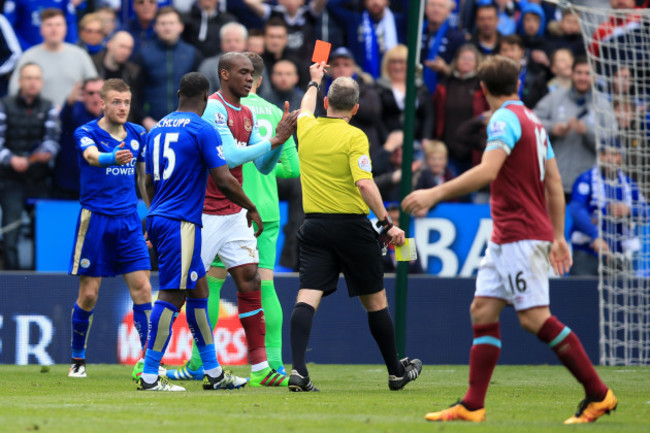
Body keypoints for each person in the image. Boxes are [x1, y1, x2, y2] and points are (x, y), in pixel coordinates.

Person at [402, 55, 618, 424]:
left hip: (520, 235)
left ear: (482, 89)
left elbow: (488, 170)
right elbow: (553, 182)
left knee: (535, 319)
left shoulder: (503, 118)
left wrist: (434, 194)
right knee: (482, 310)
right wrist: (558, 235)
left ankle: (599, 395)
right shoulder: (533, 120)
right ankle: (473, 405)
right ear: (518, 84)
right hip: (508, 237)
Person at [288, 61, 422, 392]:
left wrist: (314, 80)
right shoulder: (354, 136)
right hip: (351, 226)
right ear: (356, 108)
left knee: (307, 296)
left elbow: (305, 107)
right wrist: (387, 224)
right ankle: (395, 371)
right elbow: (365, 184)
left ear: (326, 103)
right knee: (374, 301)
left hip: (314, 226)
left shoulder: (307, 127)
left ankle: (299, 371)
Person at [166, 52, 298, 387]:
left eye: (252, 73)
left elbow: (263, 165)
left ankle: (260, 368)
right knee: (184, 290)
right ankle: (149, 364)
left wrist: (277, 142)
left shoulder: (248, 112)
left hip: (235, 212)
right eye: (243, 72)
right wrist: (274, 140)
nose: (250, 78)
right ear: (224, 74)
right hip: (206, 211)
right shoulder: (212, 109)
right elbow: (231, 157)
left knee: (251, 281)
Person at [138, 72, 262, 392]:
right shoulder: (202, 129)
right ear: (206, 98)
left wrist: (154, 212)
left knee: (199, 291)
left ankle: (214, 373)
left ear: (179, 94)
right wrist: (250, 206)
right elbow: (223, 179)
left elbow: (146, 181)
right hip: (181, 222)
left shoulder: (156, 129)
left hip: (162, 217)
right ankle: (150, 375)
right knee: (171, 295)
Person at [67, 79, 152, 379]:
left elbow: (143, 180)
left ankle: (149, 365)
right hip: (96, 220)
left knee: (143, 289)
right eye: (116, 101)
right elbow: (91, 157)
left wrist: (151, 216)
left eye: (126, 102)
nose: (122, 107)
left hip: (129, 221)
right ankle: (78, 358)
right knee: (89, 295)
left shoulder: (138, 133)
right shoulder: (86, 132)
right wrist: (110, 158)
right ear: (102, 103)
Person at [0, 62, 59, 270]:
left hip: (39, 179)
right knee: (10, 233)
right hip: (10, 179)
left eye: (36, 78)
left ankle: (39, 280)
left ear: (41, 82)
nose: (32, 82)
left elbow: (52, 141)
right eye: (28, 78)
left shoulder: (48, 106)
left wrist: (34, 158)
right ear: (19, 81)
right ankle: (12, 280)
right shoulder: (4, 104)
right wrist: (11, 159)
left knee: (43, 233)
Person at [569, 142, 649, 275]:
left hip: (620, 256)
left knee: (622, 293)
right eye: (605, 154)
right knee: (582, 294)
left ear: (621, 157)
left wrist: (629, 211)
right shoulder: (586, 179)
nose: (609, 158)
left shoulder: (628, 184)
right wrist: (595, 236)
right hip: (587, 252)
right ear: (599, 156)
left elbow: (646, 212)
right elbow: (576, 210)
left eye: (614, 154)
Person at [533, 57, 602, 201]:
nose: (583, 78)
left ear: (595, 78)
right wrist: (552, 129)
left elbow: (611, 142)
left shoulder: (603, 106)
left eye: (588, 74)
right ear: (572, 74)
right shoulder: (554, 98)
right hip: (554, 181)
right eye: (579, 73)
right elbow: (531, 123)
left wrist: (586, 132)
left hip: (588, 185)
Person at [8, 8, 97, 109]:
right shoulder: (28, 57)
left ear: (65, 28)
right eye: (49, 25)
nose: (54, 29)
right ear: (41, 30)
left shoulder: (80, 55)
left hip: (74, 118)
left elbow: (96, 88)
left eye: (58, 25)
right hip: (39, 118)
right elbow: (14, 91)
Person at [138, 7, 203, 130]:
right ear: (155, 27)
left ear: (180, 27)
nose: (167, 28)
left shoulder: (193, 54)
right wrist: (145, 119)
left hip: (186, 124)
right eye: (162, 23)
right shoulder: (143, 55)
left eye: (171, 23)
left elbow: (201, 92)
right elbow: (135, 92)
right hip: (152, 124)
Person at [52, 77, 104, 199]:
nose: (96, 97)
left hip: (99, 188)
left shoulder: (114, 118)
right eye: (91, 93)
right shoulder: (74, 113)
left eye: (100, 93)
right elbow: (64, 117)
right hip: (67, 187)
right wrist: (69, 102)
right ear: (83, 95)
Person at [421, 0, 467, 95]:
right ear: (425, 9)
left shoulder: (457, 38)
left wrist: (446, 69)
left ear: (448, 12)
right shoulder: (416, 33)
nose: (436, 9)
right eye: (432, 5)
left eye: (441, 6)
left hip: (446, 93)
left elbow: (465, 71)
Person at [198, 22, 247, 94]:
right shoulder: (208, 66)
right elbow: (205, 96)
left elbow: (265, 93)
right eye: (228, 41)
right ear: (221, 43)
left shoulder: (255, 64)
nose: (232, 44)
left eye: (237, 41)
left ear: (245, 43)